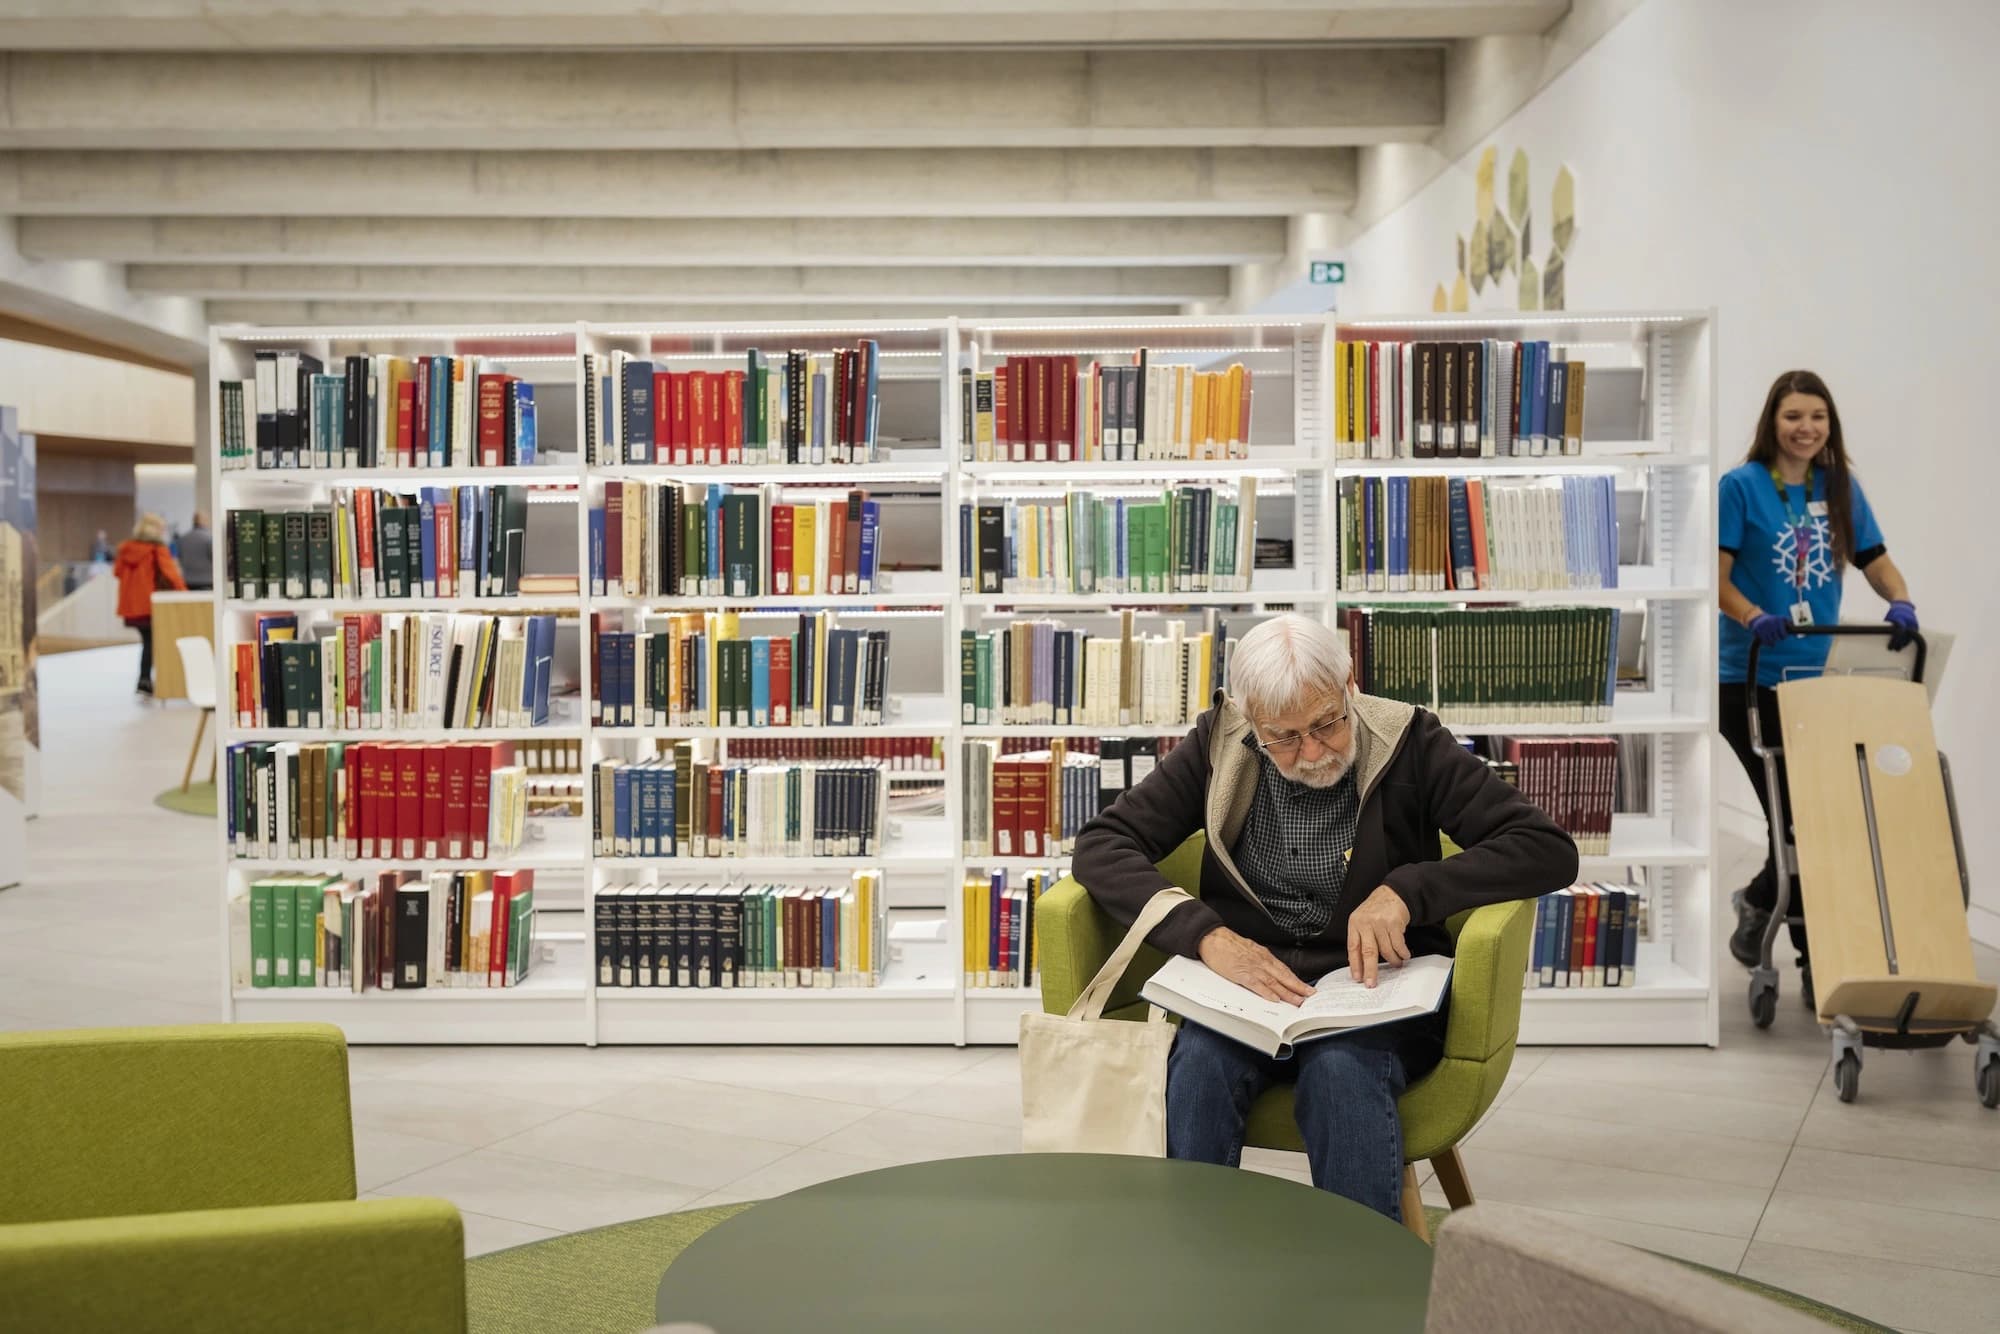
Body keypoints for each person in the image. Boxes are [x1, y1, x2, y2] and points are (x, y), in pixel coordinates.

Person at [1071, 613, 1577, 1221]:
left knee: (1342, 1073)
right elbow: (1102, 845)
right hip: (1249, 991)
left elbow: (1545, 848)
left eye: (1327, 723)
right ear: (1250, 718)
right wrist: (1205, 936)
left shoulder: (1409, 740)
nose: (1312, 753)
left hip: (1376, 989)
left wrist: (1408, 891)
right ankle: (1191, 1262)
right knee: (1199, 1070)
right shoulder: (1219, 742)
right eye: (1283, 737)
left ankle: (1364, 1272)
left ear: (1349, 686)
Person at [1719, 370, 1916, 1005]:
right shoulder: (1741, 487)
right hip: (1748, 678)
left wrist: (1900, 600)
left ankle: (1763, 907)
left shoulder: (1840, 488)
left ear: (1831, 425)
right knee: (1798, 821)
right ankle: (1815, 960)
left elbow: (1875, 559)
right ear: (1771, 423)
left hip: (1819, 680)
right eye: (1793, 416)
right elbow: (1715, 577)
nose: (1806, 428)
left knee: (1816, 821)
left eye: (1817, 417)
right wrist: (1753, 616)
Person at [113, 512, 187, 696]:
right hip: (150, 605)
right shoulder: (156, 549)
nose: (163, 532)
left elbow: (117, 572)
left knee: (147, 641)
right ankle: (145, 680)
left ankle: (144, 679)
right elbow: (171, 575)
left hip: (131, 606)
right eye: (161, 529)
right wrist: (185, 594)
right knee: (151, 642)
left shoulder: (126, 549)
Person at [177, 510, 214, 591]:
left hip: (188, 581)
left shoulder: (183, 539)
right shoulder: (210, 538)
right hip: (207, 581)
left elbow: (180, 558)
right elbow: (214, 559)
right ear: (204, 520)